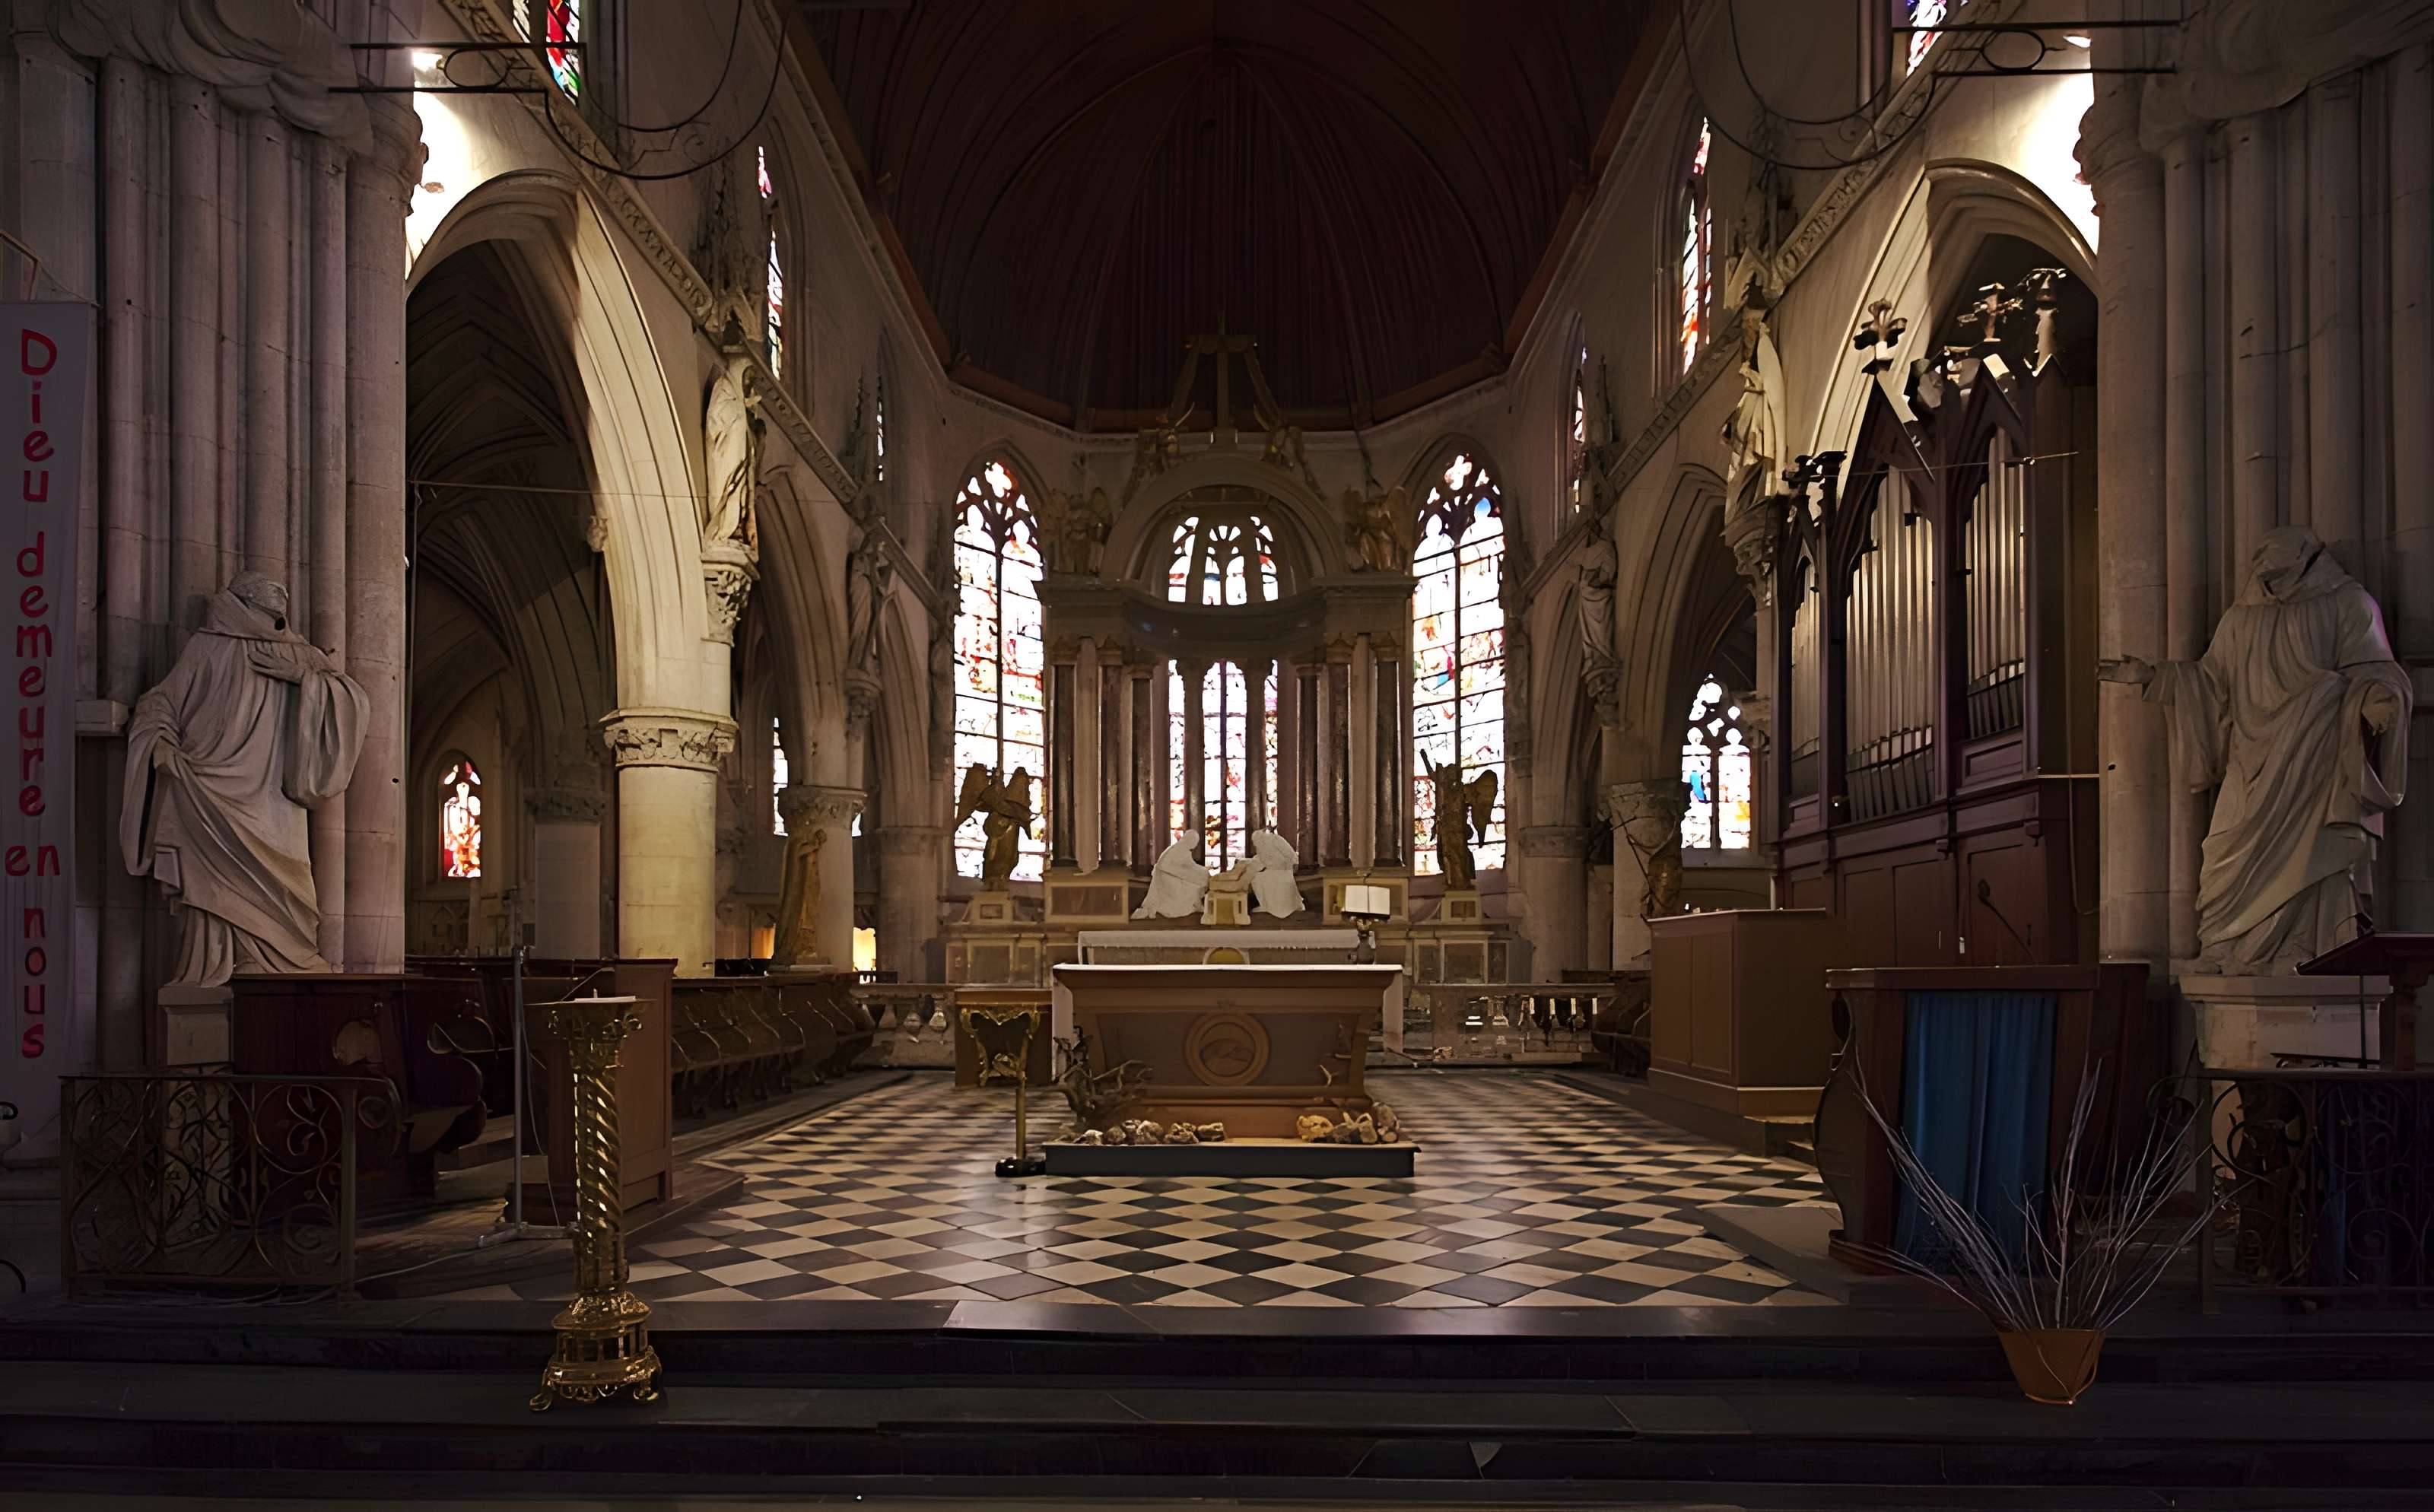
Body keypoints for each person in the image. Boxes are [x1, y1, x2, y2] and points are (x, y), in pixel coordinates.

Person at [2102, 526, 2410, 971]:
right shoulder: (2240, 618)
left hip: (2315, 761)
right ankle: (2231, 946)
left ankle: (2307, 945)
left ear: (2309, 563)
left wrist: (2379, 701)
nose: (2267, 583)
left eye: (2278, 573)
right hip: (2251, 762)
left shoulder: (2348, 605)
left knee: (2314, 857)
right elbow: (2210, 682)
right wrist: (2155, 677)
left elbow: (2378, 671)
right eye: (2263, 573)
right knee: (2223, 860)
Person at [122, 573, 368, 985]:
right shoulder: (208, 645)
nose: (275, 621)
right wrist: (160, 741)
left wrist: (304, 681)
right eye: (267, 611)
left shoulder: (302, 655)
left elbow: (353, 700)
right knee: (212, 900)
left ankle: (280, 967)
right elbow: (159, 701)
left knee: (291, 904)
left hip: (275, 809)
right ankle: (212, 969)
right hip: (208, 794)